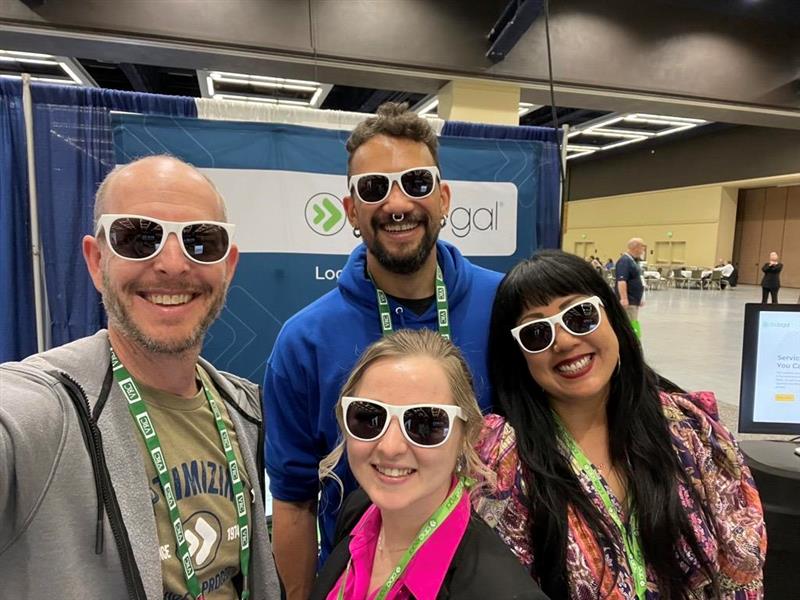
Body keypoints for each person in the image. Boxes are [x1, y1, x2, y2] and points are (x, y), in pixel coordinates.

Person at [0, 156, 280, 599]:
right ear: (97, 261)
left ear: (228, 266)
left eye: (200, 241)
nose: (172, 264)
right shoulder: (45, 409)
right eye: (138, 239)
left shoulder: (245, 410)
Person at [264, 102, 503, 598]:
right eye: (374, 188)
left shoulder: (506, 306)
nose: (397, 204)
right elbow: (293, 500)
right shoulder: (303, 340)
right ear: (351, 210)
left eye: (415, 183)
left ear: (443, 198)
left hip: (491, 578)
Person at [473, 250, 766, 599]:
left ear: (611, 316)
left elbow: (742, 570)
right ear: (518, 355)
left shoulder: (689, 430)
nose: (564, 341)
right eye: (537, 333)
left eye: (580, 315)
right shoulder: (505, 462)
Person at [311, 330, 547, 600]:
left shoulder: (503, 592)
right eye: (370, 417)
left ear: (467, 436)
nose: (390, 447)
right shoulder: (358, 511)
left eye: (425, 424)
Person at [615, 238, 645, 337]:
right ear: (636, 248)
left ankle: (633, 340)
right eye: (642, 247)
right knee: (629, 324)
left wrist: (641, 297)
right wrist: (624, 298)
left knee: (633, 322)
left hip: (634, 300)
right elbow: (622, 281)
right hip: (629, 300)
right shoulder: (625, 261)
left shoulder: (633, 261)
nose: (643, 251)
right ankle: (630, 341)